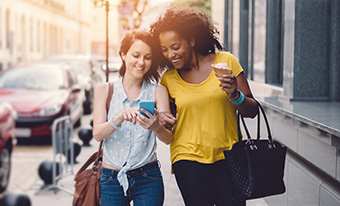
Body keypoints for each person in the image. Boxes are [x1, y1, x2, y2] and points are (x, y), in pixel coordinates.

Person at [150, 5, 259, 206]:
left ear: (191, 40)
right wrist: (161, 119)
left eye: (176, 47)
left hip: (229, 156)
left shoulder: (226, 62)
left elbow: (252, 111)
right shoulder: (169, 79)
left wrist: (234, 94)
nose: (170, 54)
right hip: (187, 157)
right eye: (164, 50)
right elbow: (168, 123)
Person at [92, 29, 173, 206]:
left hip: (148, 177)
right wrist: (118, 118)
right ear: (123, 54)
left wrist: (156, 126)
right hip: (111, 179)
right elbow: (97, 134)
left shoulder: (158, 91)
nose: (141, 62)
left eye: (148, 57)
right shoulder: (104, 90)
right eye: (136, 55)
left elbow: (168, 139)